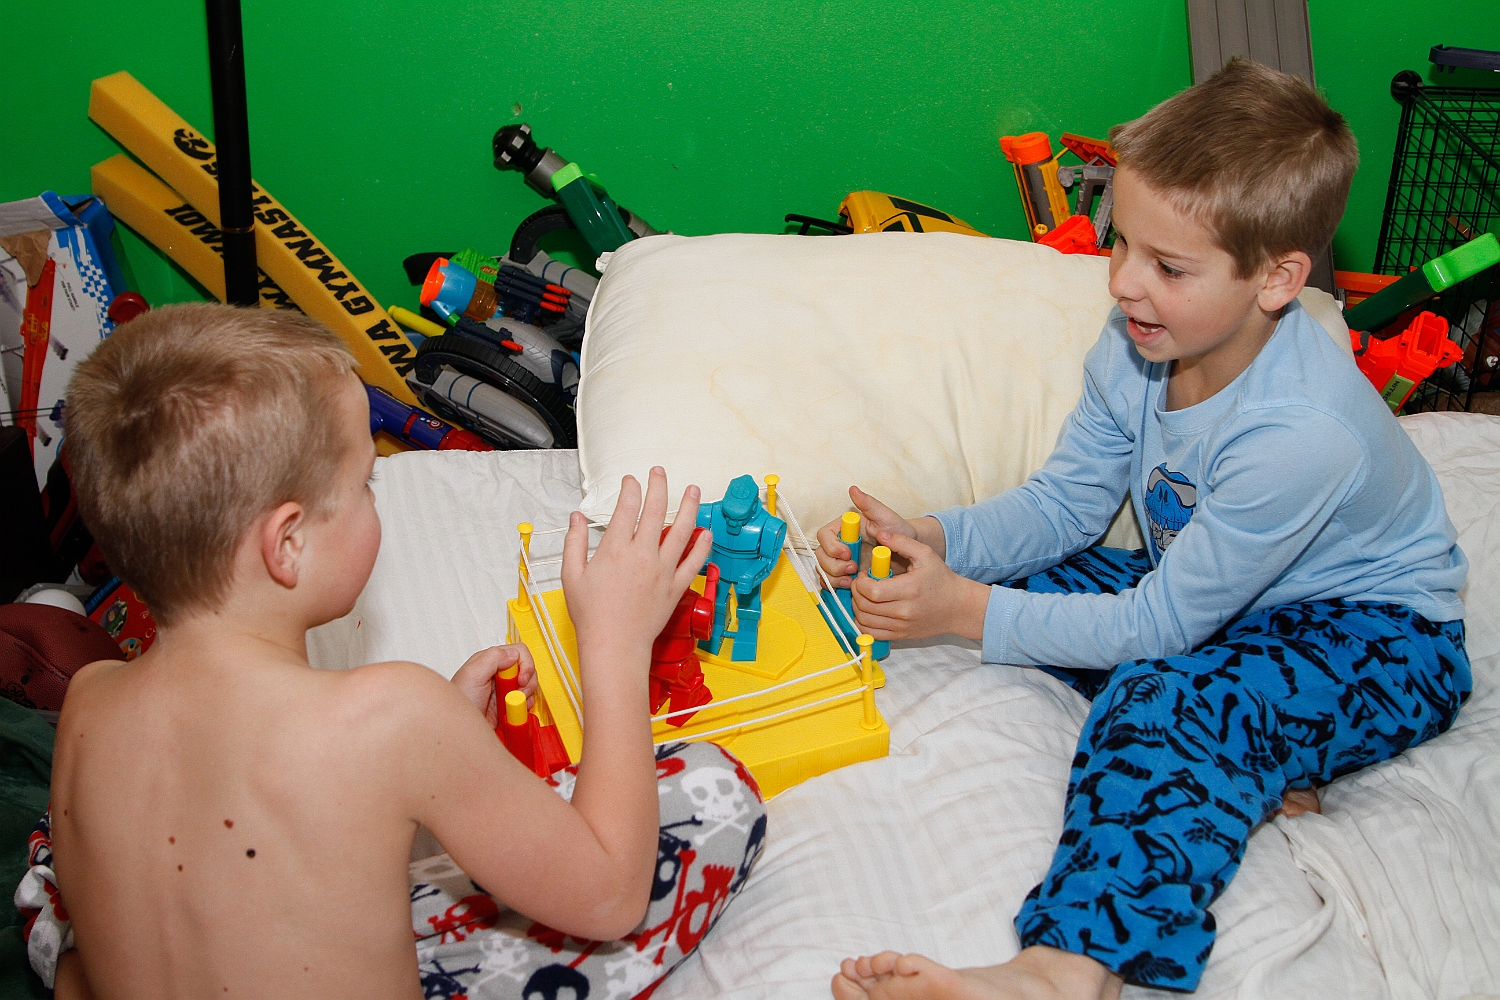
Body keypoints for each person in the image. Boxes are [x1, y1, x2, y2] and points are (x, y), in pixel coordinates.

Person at [820, 59, 1470, 1000]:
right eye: (1122, 242)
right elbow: (1062, 508)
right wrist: (933, 540)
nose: (1123, 281)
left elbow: (1160, 630)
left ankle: (1061, 971)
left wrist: (961, 611)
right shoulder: (1141, 341)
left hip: (1379, 637)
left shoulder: (1300, 432)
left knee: (1161, 697)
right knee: (1023, 591)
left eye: (1167, 267)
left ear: (1277, 279)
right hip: (1224, 599)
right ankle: (1260, 759)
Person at [21, 303, 764, 999]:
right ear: (288, 543)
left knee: (60, 876)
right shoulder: (395, 715)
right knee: (713, 790)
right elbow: (610, 898)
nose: (376, 496)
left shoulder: (89, 699)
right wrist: (614, 644)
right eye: (366, 483)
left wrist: (430, 751)